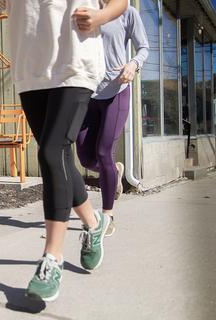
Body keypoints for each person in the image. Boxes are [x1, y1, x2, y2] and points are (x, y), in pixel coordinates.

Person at [0, 0, 127, 302]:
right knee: (59, 156)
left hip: (74, 64)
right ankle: (94, 224)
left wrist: (101, 16)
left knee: (51, 152)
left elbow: (118, 2)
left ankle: (51, 259)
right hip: (31, 71)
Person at [76, 1, 149, 237]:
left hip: (116, 91)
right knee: (86, 157)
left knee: (105, 152)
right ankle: (114, 173)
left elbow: (144, 48)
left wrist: (133, 64)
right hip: (88, 92)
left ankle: (108, 215)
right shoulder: (84, 7)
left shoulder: (127, 12)